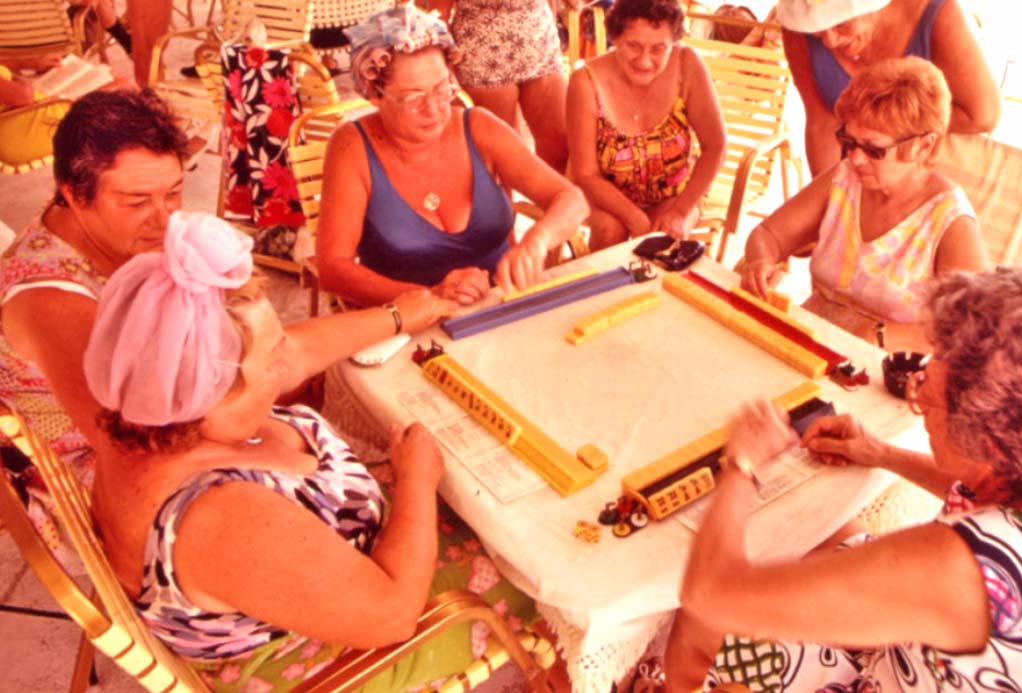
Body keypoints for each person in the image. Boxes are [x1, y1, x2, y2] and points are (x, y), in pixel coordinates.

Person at [83, 216, 539, 691]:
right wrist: (417, 483)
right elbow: (392, 617)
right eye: (270, 361)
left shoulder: (154, 404)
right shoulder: (219, 516)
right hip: (343, 662)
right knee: (544, 567)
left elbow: (295, 350)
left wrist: (402, 315)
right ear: (212, 388)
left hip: (326, 572)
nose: (286, 364)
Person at [0, 90, 453, 553]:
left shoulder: (128, 239)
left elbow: (271, 350)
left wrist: (401, 314)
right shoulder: (49, 300)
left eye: (173, 192)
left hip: (178, 441)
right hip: (122, 496)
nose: (163, 220)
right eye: (136, 201)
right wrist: (275, 449)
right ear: (74, 195)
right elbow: (133, 451)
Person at [667, 267, 1022, 691]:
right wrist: (879, 452)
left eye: (928, 397)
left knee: (704, 618)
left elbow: (710, 592)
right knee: (823, 534)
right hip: (966, 660)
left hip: (898, 675)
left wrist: (742, 464)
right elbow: (998, 506)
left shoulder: (958, 568)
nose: (918, 405)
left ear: (989, 442)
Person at [316, 5, 588, 309]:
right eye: (413, 98)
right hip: (402, 323)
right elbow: (332, 269)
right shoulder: (351, 147)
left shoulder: (478, 126)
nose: (433, 109)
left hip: (495, 306)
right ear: (374, 94)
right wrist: (430, 298)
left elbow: (572, 198)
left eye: (442, 89)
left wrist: (537, 241)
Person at [740, 56, 986, 353]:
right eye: (849, 141)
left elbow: (975, 330)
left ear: (924, 145)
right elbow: (768, 235)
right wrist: (761, 262)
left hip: (886, 370)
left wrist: (882, 335)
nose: (855, 158)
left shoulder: (949, 220)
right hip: (811, 344)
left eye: (873, 149)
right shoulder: (845, 180)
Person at [567, 0, 726, 251]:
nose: (645, 60)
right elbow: (585, 173)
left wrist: (681, 211)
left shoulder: (687, 65)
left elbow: (716, 146)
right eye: (634, 46)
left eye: (658, 49)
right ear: (615, 37)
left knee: (662, 240)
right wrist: (634, 218)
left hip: (675, 193)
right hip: (607, 194)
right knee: (610, 231)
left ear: (673, 43)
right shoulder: (585, 82)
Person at [776, 0, 1001, 175]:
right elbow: (822, 124)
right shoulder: (798, 30)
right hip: (854, 174)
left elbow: (982, 115)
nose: (829, 41)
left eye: (839, 24)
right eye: (817, 30)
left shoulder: (935, 13)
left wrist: (889, 125)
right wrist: (830, 204)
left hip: (917, 173)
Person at [427, 0, 570, 173]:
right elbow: (438, 13)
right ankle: (505, 200)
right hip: (485, 55)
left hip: (541, 44)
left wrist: (550, 28)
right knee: (500, 157)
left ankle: (554, 199)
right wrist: (444, 64)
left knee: (560, 146)